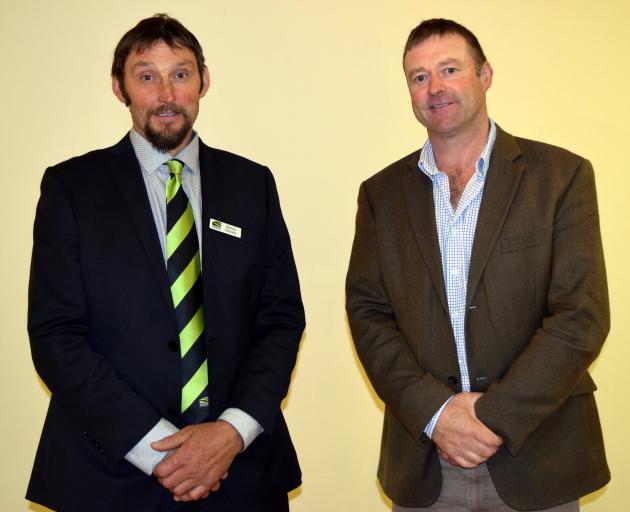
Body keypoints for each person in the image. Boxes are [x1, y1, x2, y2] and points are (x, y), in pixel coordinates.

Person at [27, 14, 304, 512]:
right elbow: (55, 334)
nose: (166, 93)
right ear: (120, 87)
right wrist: (158, 450)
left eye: (180, 73)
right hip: (109, 476)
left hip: (241, 475)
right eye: (146, 75)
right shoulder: (72, 189)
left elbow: (281, 321)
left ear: (204, 80)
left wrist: (230, 433)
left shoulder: (252, 186)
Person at [346, 18, 609, 512]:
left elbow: (581, 317)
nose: (435, 87)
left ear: (485, 74)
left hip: (537, 456)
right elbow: (367, 315)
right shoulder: (380, 195)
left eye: (450, 69)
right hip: (425, 461)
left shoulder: (562, 176)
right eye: (419, 76)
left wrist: (493, 417)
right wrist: (436, 414)